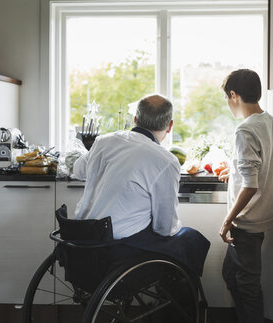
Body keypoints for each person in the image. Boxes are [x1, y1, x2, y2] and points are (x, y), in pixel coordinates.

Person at [72, 94, 210, 277]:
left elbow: (78, 170)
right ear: (169, 126)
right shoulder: (166, 161)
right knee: (190, 238)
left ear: (135, 119)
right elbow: (165, 227)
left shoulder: (104, 141)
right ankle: (179, 302)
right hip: (120, 248)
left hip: (84, 238)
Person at [218, 69, 273, 323]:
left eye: (227, 98)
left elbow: (250, 186)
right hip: (260, 217)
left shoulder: (244, 130)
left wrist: (227, 220)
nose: (228, 104)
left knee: (247, 286)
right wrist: (233, 170)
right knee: (231, 274)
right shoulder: (270, 121)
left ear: (234, 95)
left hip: (245, 221)